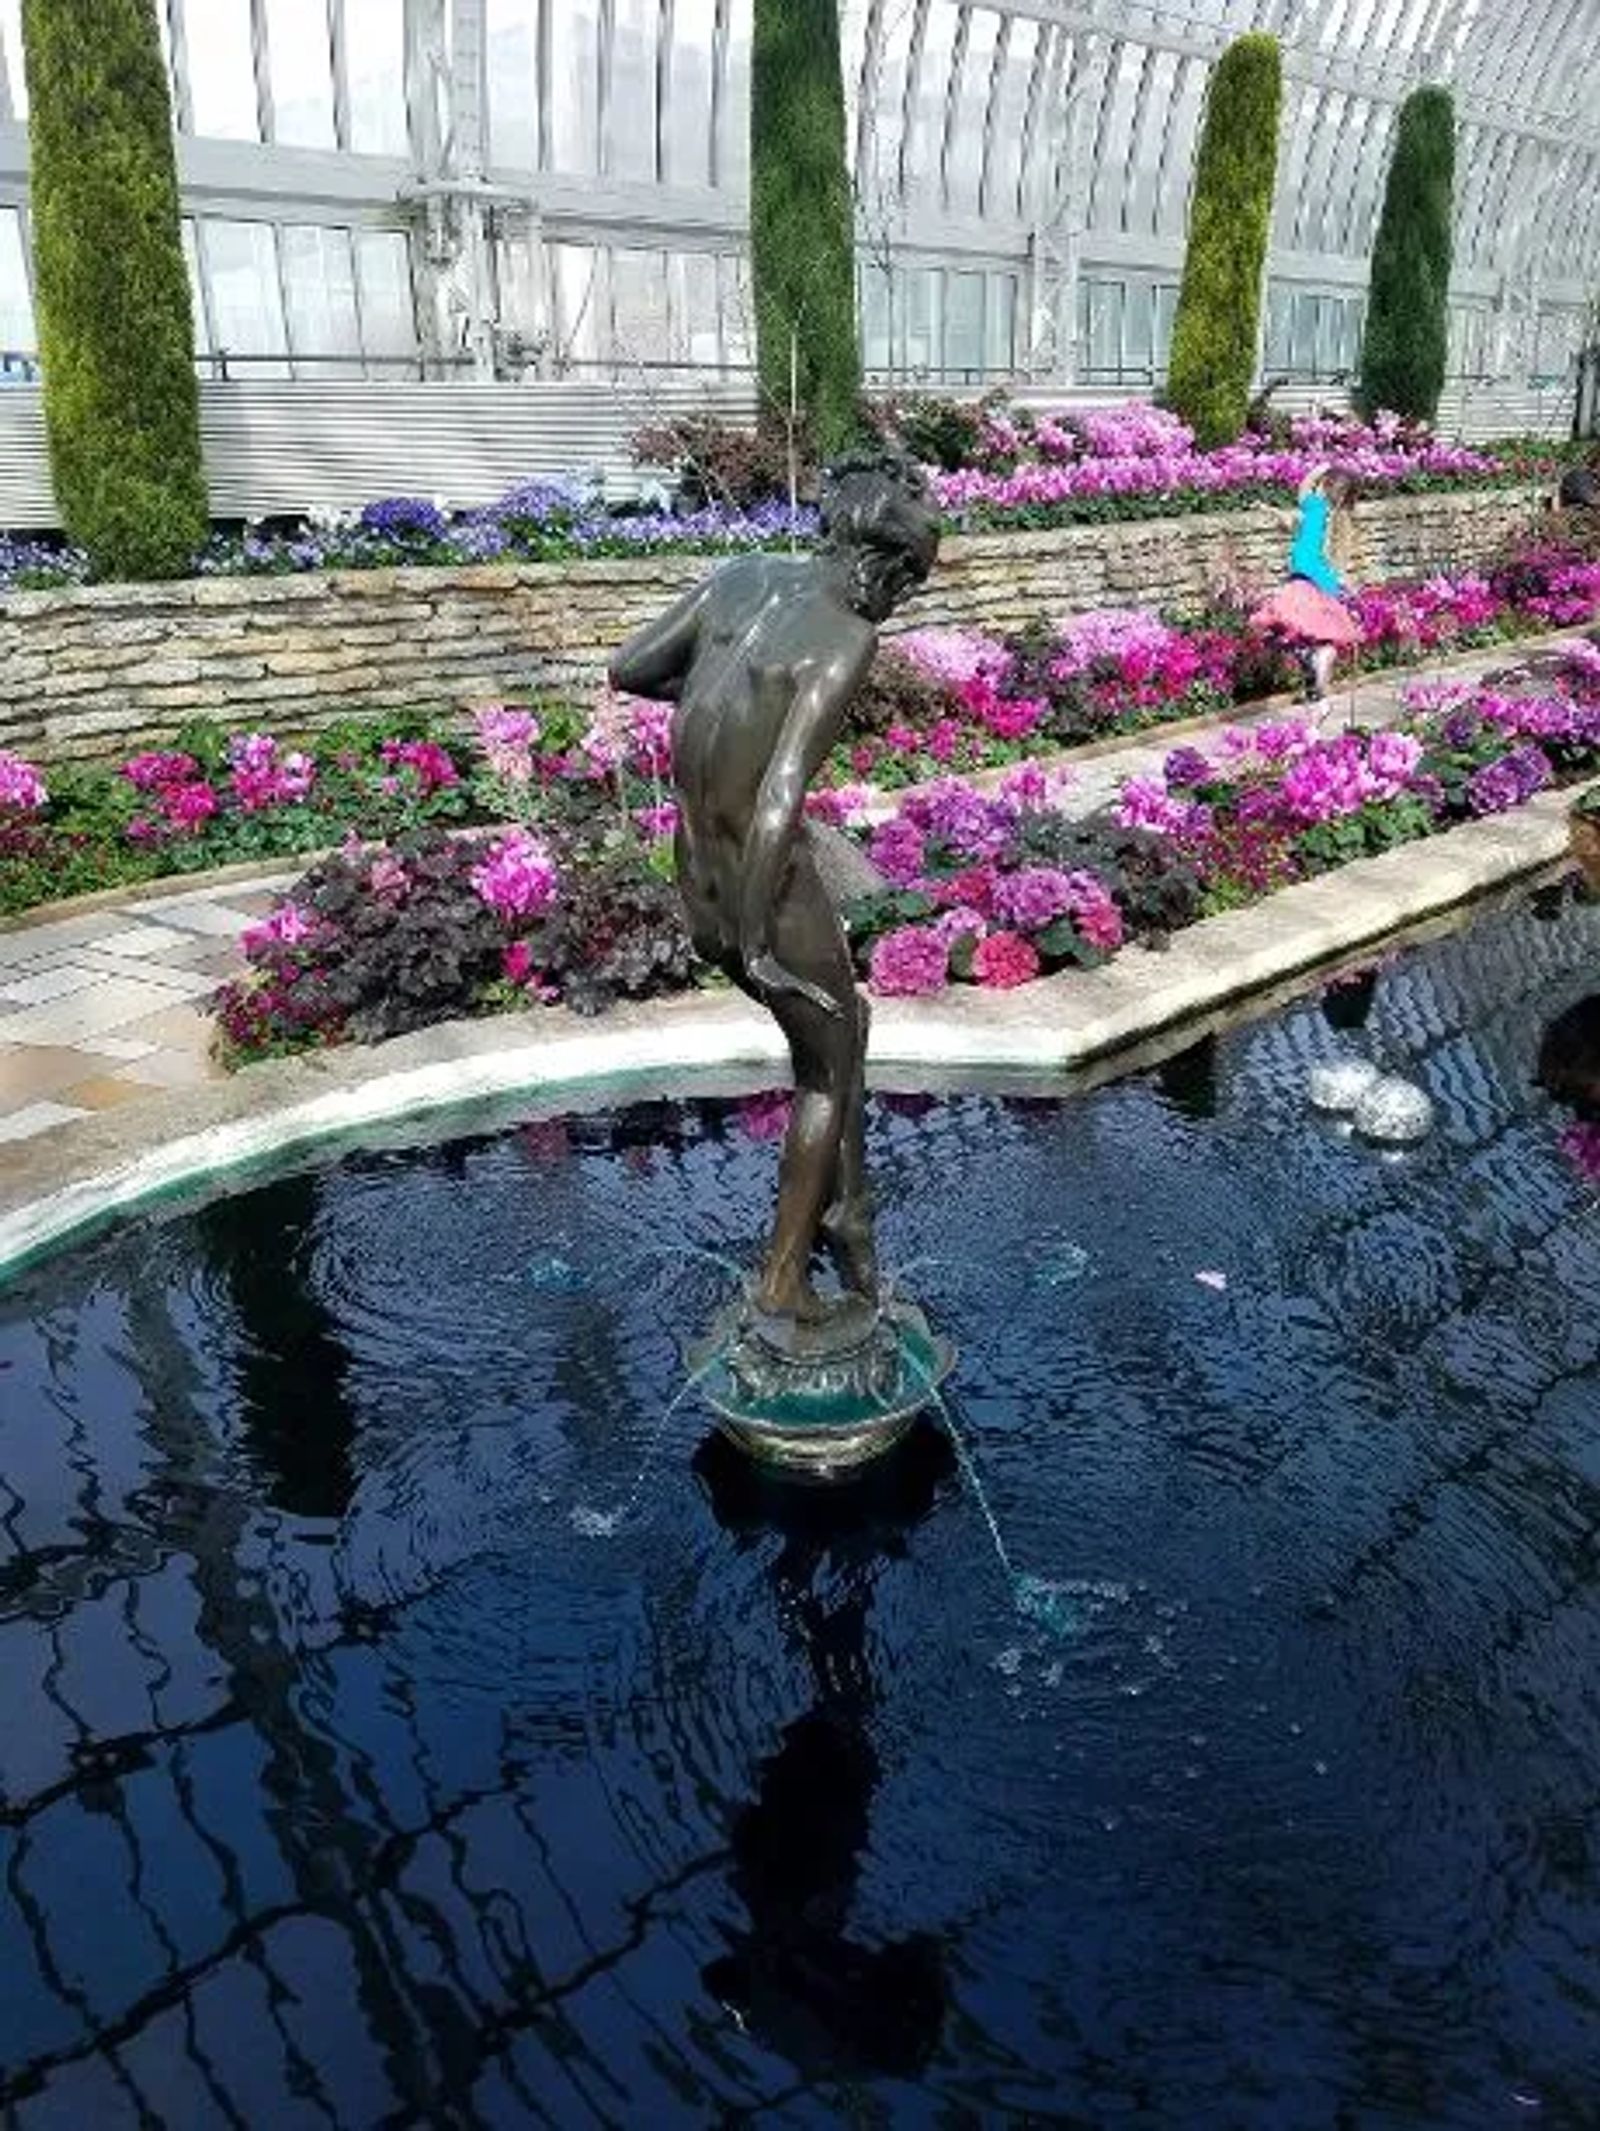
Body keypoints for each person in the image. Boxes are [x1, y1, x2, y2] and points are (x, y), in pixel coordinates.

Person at [607, 452, 940, 1326]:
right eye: (904, 582)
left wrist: (715, 689)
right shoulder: (845, 634)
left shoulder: (742, 577)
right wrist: (758, 937)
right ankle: (787, 1276)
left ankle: (846, 1211)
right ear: (889, 564)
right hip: (762, 889)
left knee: (845, 1026)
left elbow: (630, 667)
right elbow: (782, 795)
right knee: (828, 1072)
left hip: (697, 876)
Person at [1251, 465, 1364, 707]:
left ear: (1324, 487)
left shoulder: (1314, 505)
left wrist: (1317, 469)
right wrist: (1270, 511)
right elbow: (1294, 523)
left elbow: (1302, 489)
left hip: (1303, 579)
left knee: (1281, 623)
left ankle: (1306, 660)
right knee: (1326, 638)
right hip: (1325, 582)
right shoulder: (1329, 516)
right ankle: (1318, 681)